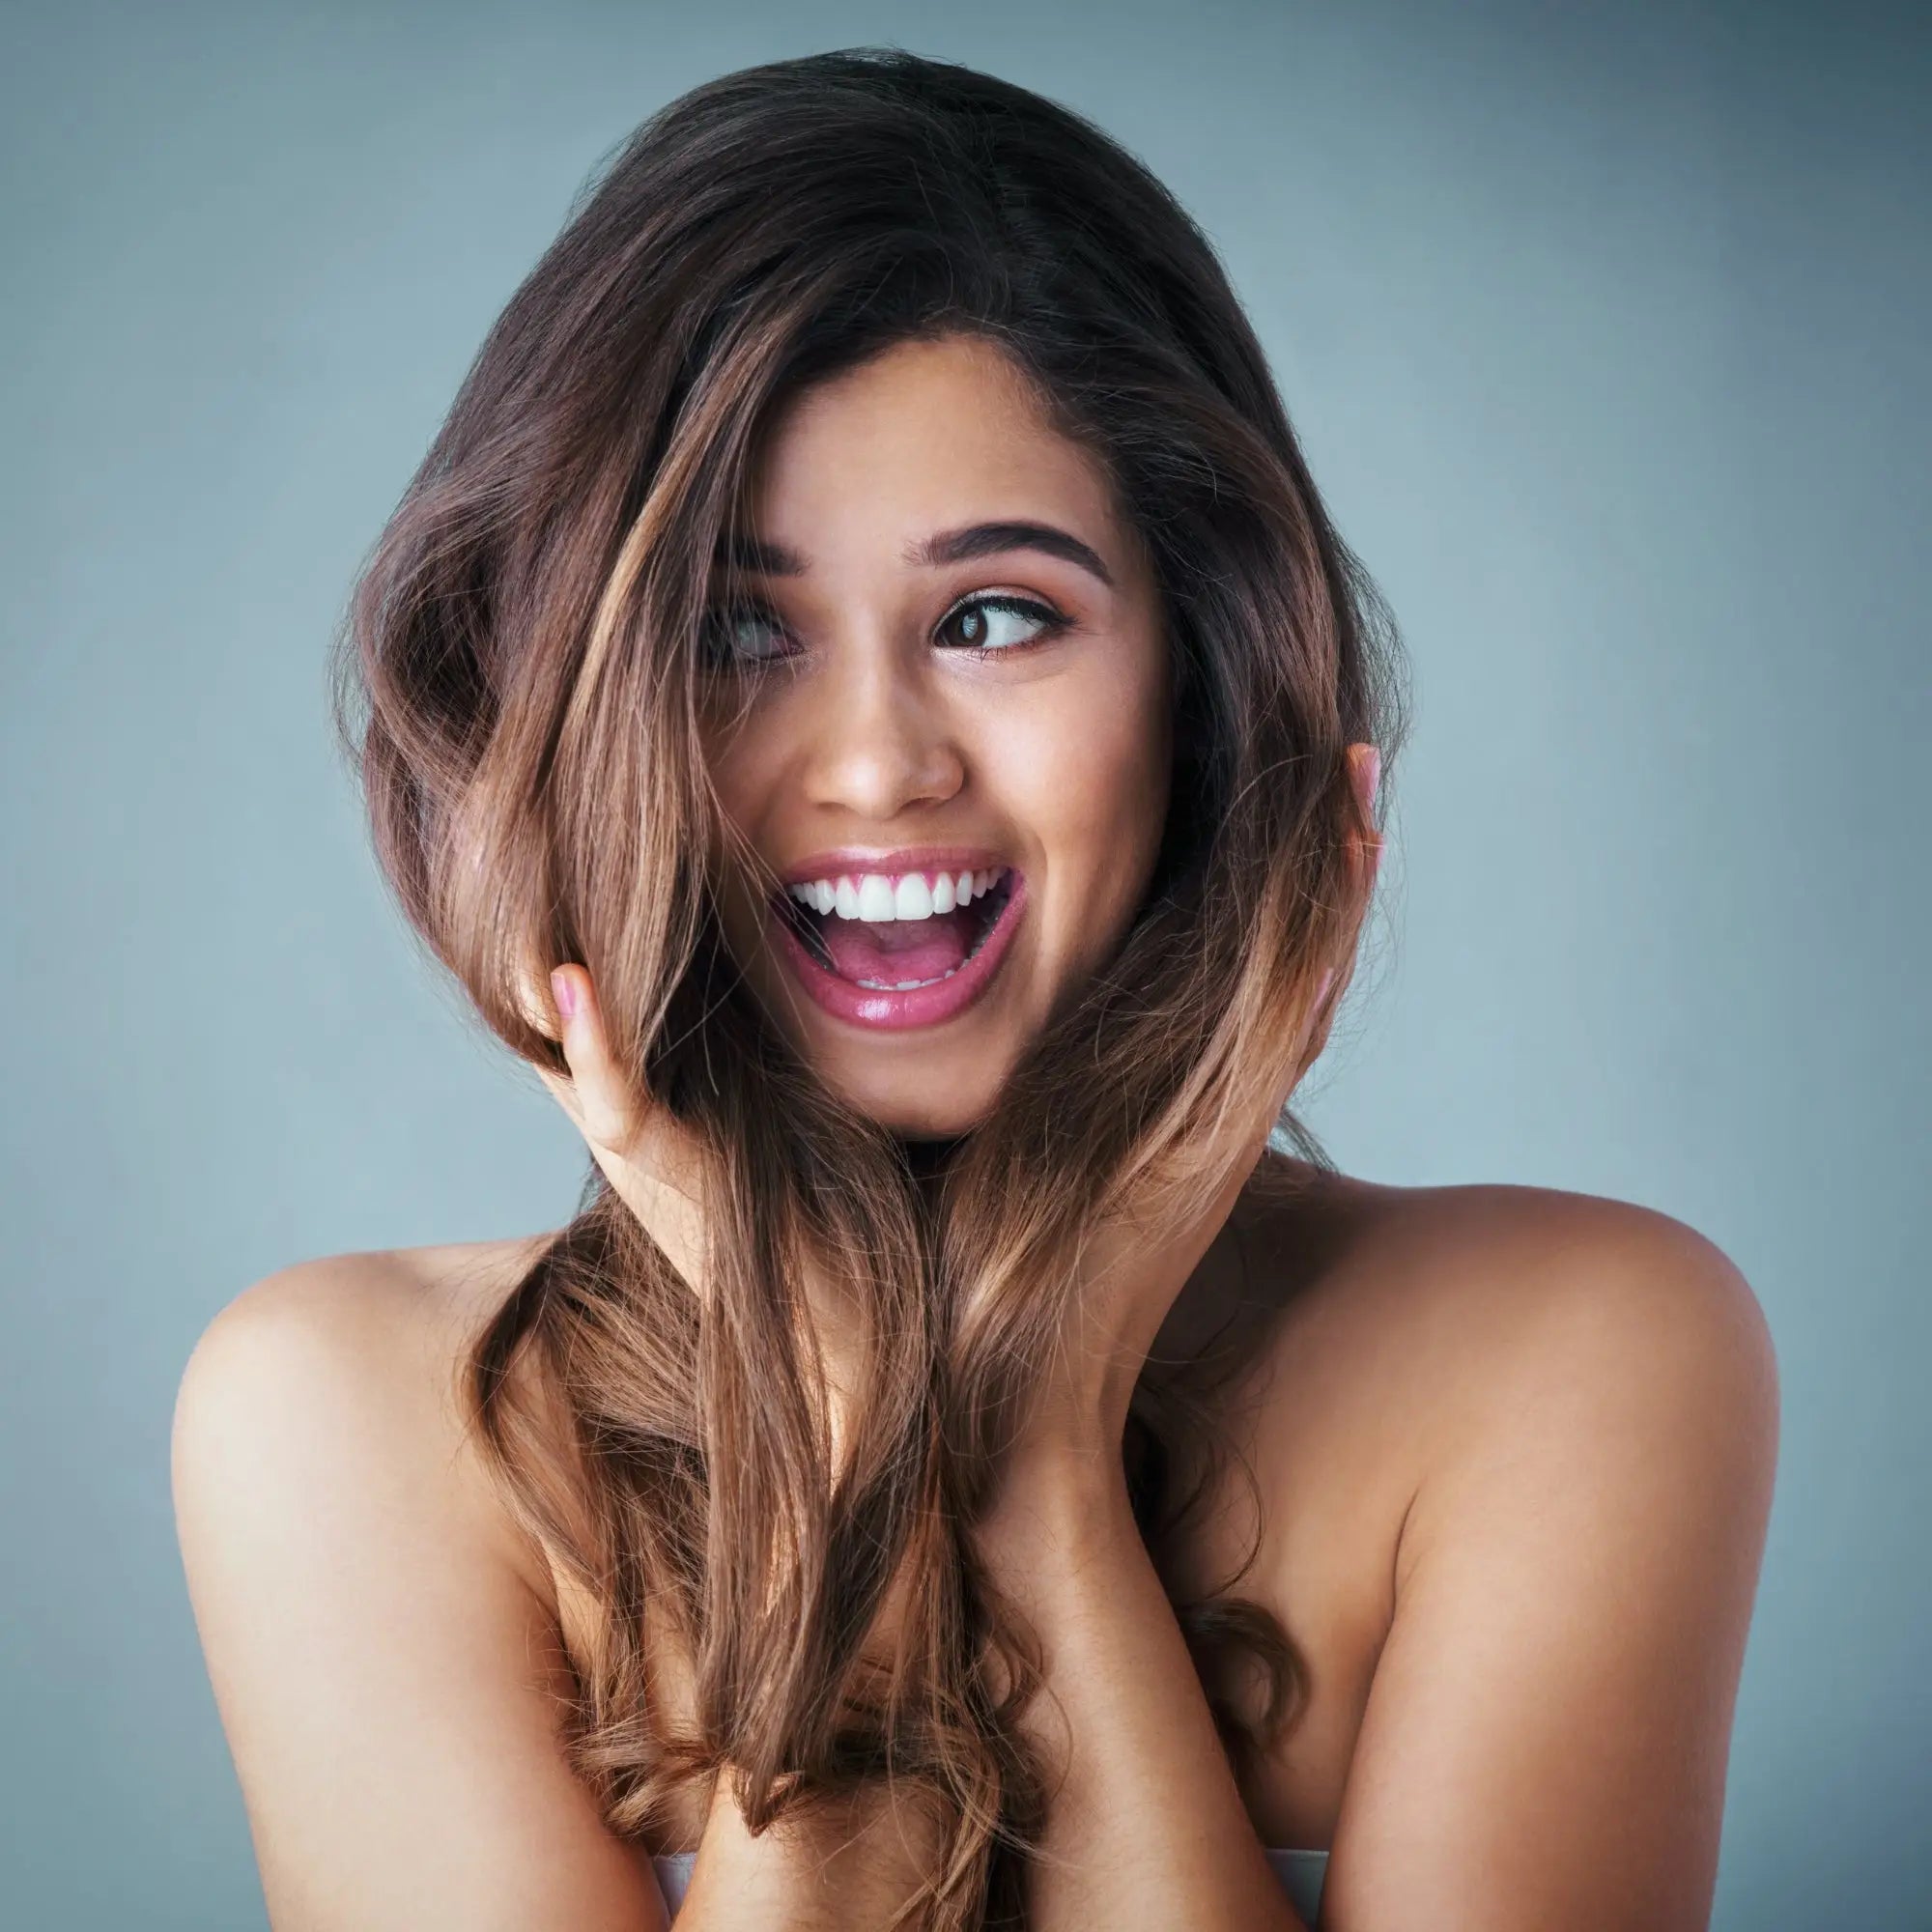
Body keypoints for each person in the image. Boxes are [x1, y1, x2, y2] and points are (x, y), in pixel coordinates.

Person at [170, 47, 1779, 1932]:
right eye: (735, 630)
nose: (875, 763)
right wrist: (845, 1434)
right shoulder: (344, 1424)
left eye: (995, 616)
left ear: (1202, 692)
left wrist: (1030, 1474)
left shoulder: (1572, 1356)